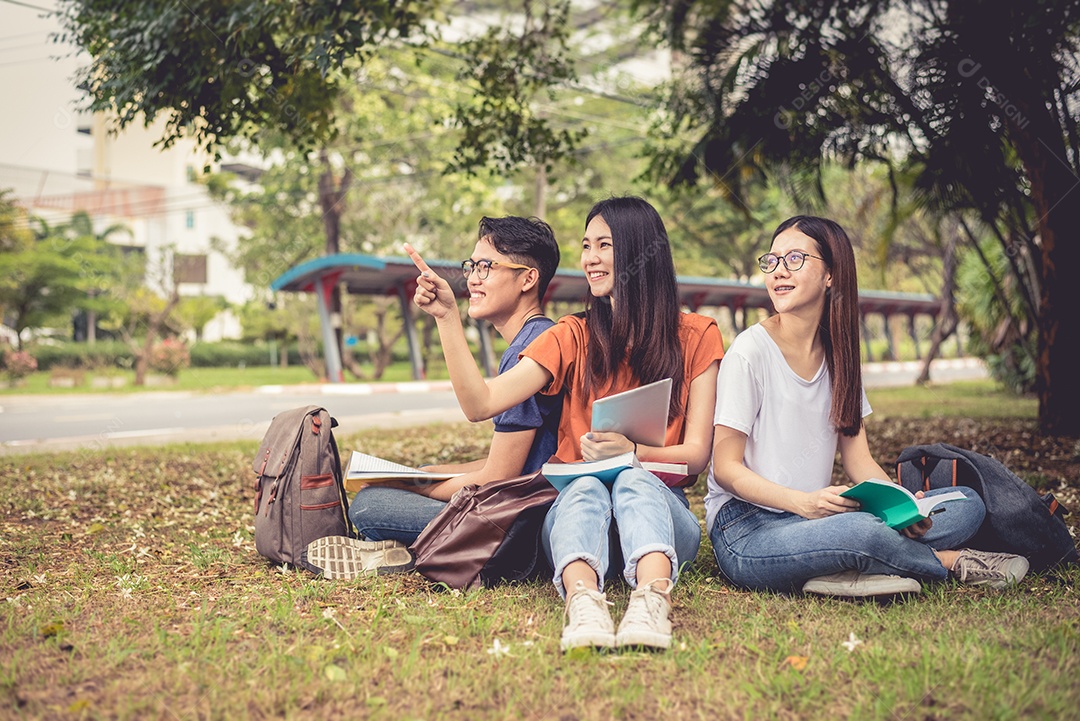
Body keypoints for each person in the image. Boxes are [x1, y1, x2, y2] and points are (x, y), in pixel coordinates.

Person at [408, 196, 724, 651]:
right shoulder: (572, 335)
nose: (590, 258)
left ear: (638, 251)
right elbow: (481, 403)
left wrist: (632, 455)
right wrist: (446, 317)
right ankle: (583, 603)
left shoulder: (698, 335)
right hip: (580, 518)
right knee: (585, 486)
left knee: (634, 481)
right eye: (585, 245)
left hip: (662, 517)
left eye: (604, 245)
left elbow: (696, 455)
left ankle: (653, 599)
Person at [706, 215, 1029, 598]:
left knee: (965, 504)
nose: (778, 271)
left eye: (794, 259)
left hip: (819, 520)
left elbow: (859, 460)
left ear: (830, 275)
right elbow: (726, 469)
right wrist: (803, 502)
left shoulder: (840, 356)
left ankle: (844, 566)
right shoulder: (750, 351)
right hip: (748, 527)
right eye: (772, 260)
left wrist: (901, 504)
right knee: (860, 532)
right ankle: (946, 562)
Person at [304, 216, 562, 578]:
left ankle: (414, 553)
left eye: (487, 266)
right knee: (406, 485)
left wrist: (414, 487)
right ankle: (404, 551)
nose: (473, 278)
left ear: (528, 279)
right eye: (472, 266)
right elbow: (508, 463)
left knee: (369, 506)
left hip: (519, 531)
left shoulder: (533, 350)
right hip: (523, 512)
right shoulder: (538, 338)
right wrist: (422, 475)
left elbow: (497, 477)